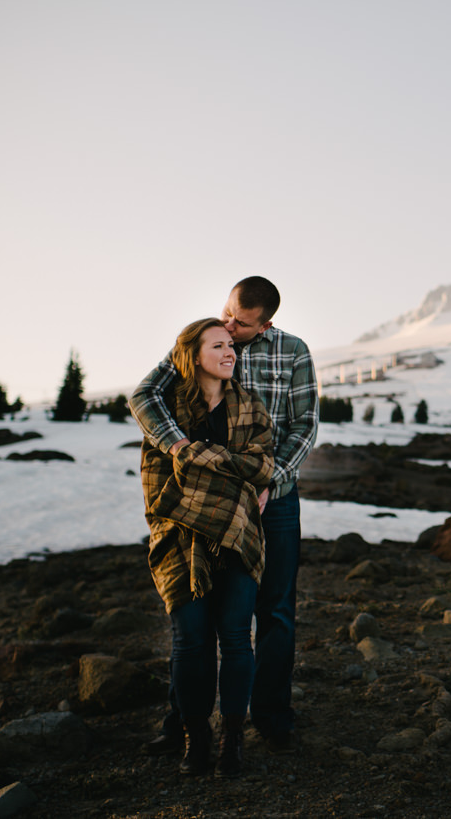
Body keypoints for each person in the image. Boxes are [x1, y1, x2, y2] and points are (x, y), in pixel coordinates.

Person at [131, 276, 319, 756]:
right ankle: (184, 722)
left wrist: (269, 481)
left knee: (274, 610)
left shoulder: (293, 352)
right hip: (207, 497)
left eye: (241, 323)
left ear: (267, 324)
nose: (230, 328)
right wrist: (177, 446)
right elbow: (146, 395)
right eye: (227, 314)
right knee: (196, 603)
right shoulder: (204, 340)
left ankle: (271, 716)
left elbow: (304, 425)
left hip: (272, 499)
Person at [138, 318, 275, 778]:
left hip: (238, 533)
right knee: (191, 640)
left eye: (231, 346)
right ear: (193, 355)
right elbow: (164, 478)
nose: (230, 352)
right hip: (180, 537)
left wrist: (197, 457)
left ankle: (232, 740)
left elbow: (263, 466)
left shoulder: (251, 406)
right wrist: (231, 471)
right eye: (218, 346)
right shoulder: (168, 412)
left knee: (237, 638)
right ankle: (196, 739)